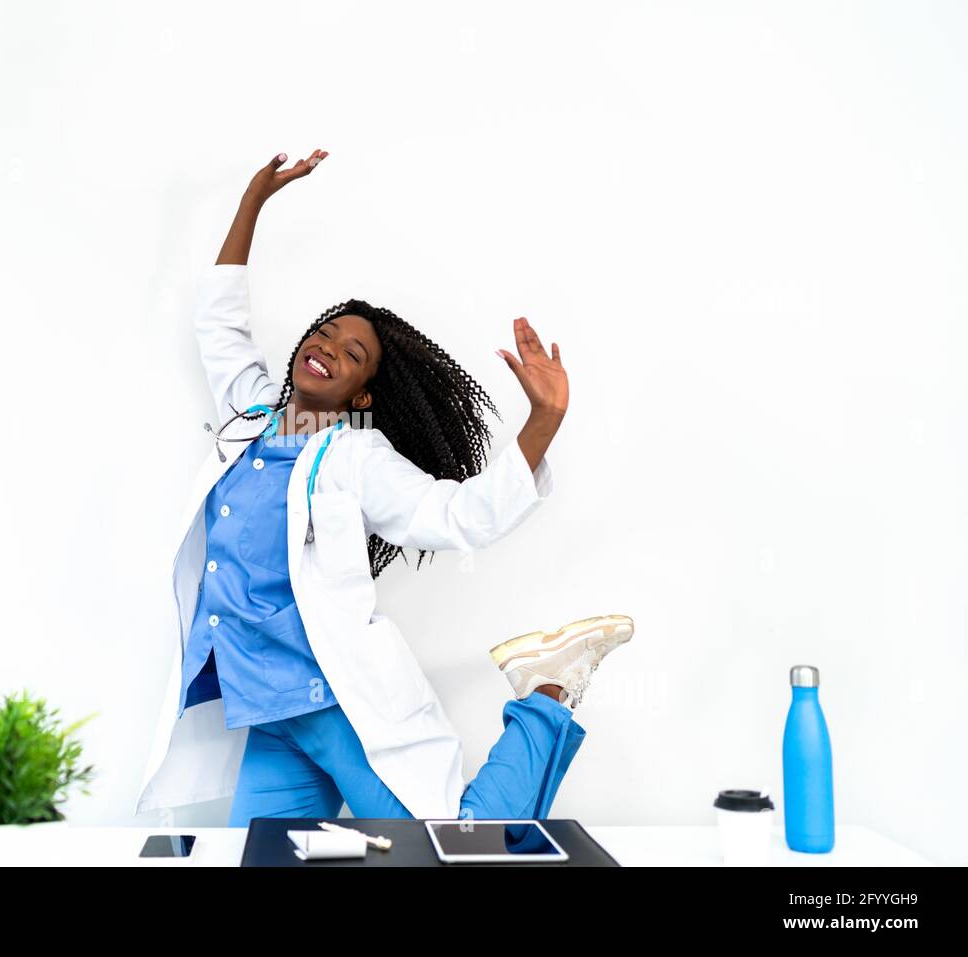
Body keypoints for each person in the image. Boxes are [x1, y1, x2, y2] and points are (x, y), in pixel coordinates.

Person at [140, 148, 635, 825]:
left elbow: (454, 514)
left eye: (352, 354)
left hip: (339, 706)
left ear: (361, 391)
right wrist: (253, 199)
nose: (329, 348)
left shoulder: (351, 456)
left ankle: (546, 697)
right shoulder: (248, 416)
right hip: (274, 718)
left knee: (461, 845)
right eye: (327, 332)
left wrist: (543, 420)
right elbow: (218, 324)